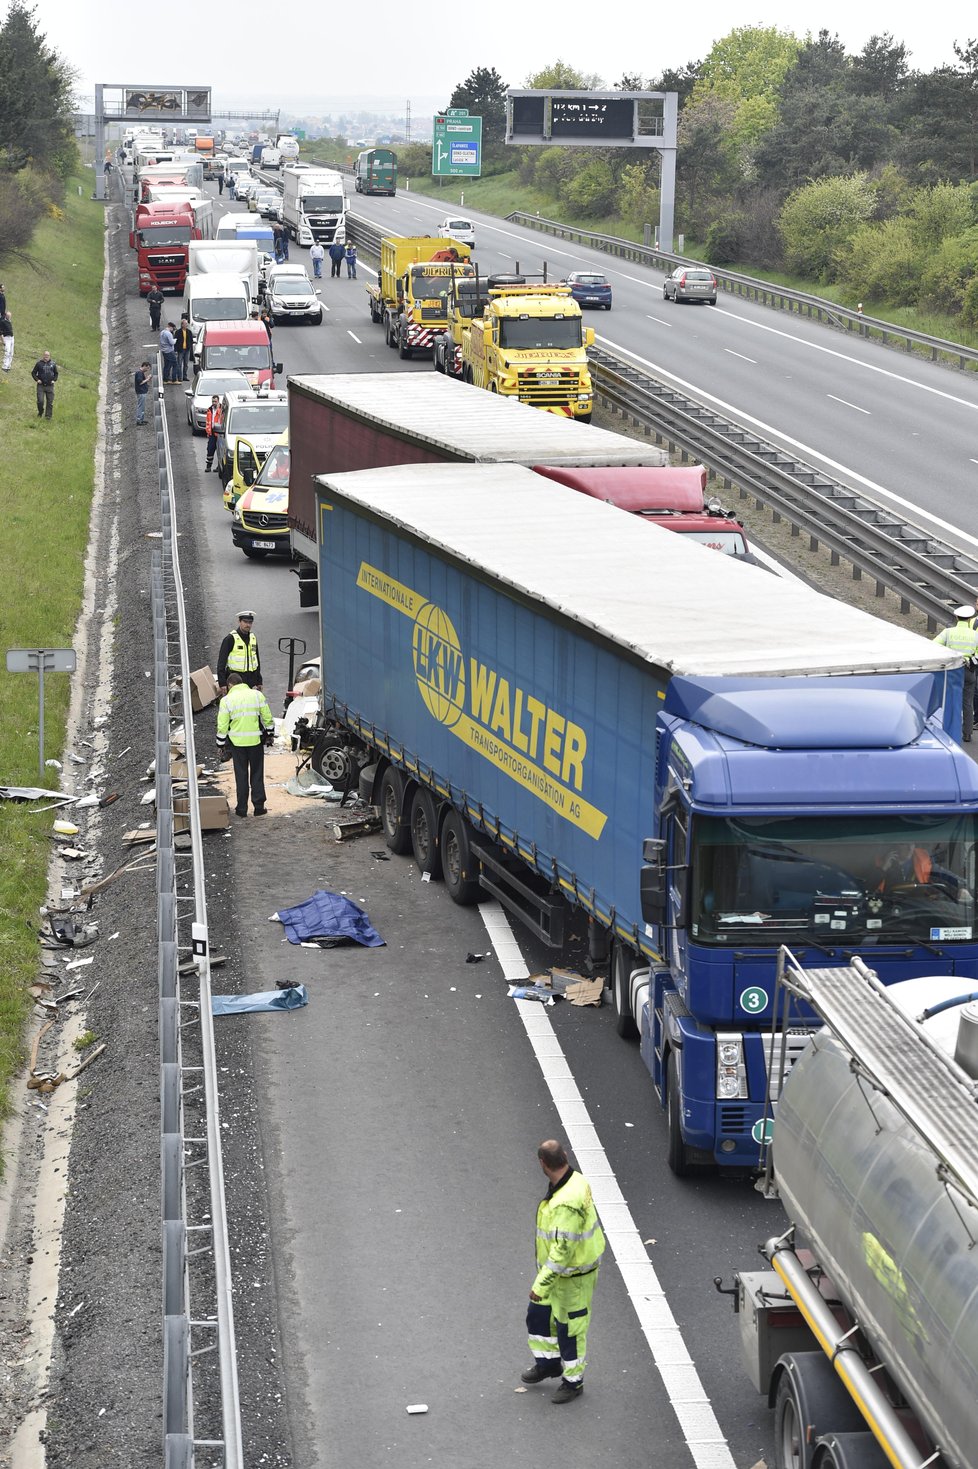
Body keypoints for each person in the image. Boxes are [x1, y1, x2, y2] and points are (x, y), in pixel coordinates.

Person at [522, 1139, 605, 1405]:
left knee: (570, 1330)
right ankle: (548, 1363)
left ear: (542, 1163)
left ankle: (573, 1382)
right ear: (565, 1157)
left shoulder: (565, 1202)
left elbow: (562, 1251)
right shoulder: (575, 1180)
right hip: (560, 1274)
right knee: (539, 1316)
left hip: (571, 1278)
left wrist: (541, 1285)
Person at [216, 673, 274, 818]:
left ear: (230, 685)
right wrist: (270, 733)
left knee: (241, 775)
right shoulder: (256, 695)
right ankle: (259, 807)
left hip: (237, 744)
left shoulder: (226, 700)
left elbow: (222, 725)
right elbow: (266, 716)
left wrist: (220, 743)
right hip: (255, 741)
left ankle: (241, 809)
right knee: (257, 773)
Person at [933, 605, 978, 743]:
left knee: (950, 699)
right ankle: (967, 733)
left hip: (952, 670)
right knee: (968, 702)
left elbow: (934, 645)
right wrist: (972, 659)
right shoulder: (975, 635)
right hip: (969, 670)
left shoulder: (948, 632)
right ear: (970, 619)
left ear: (957, 617)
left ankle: (949, 730)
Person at [217, 610, 262, 692]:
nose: (248, 625)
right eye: (245, 622)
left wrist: (259, 681)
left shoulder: (253, 638)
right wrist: (222, 683)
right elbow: (221, 663)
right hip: (235, 680)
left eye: (250, 622)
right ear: (239, 621)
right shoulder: (230, 639)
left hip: (251, 680)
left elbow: (256, 660)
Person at [31, 351, 58, 419]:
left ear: (50, 356)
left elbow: (56, 373)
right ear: (43, 356)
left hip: (50, 386)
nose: (46, 357)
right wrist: (37, 380)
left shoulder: (53, 364)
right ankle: (40, 412)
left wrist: (54, 380)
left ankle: (48, 416)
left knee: (50, 402)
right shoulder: (39, 364)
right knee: (40, 401)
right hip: (41, 386)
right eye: (45, 355)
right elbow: (33, 373)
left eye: (47, 355)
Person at [204, 395, 223, 472]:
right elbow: (208, 421)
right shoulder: (210, 410)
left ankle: (219, 467)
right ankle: (208, 466)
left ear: (218, 401)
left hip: (219, 433)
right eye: (213, 401)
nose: (214, 403)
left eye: (215, 401)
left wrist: (219, 409)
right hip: (212, 433)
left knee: (220, 451)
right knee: (210, 450)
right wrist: (208, 432)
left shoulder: (222, 409)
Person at [175, 316, 194, 381]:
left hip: (187, 350)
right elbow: (176, 341)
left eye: (187, 323)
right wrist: (176, 350)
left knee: (186, 364)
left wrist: (189, 347)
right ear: (182, 324)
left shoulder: (189, 332)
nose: (187, 325)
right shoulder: (178, 332)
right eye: (185, 324)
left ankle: (184, 376)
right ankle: (179, 377)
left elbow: (191, 340)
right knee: (179, 364)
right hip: (180, 350)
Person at [134, 360, 152, 425]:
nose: (147, 370)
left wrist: (147, 379)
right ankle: (139, 420)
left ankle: (141, 419)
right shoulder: (139, 373)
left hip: (142, 392)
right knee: (141, 406)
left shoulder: (140, 373)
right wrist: (147, 379)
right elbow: (140, 382)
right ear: (144, 366)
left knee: (142, 406)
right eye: (147, 368)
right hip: (141, 392)